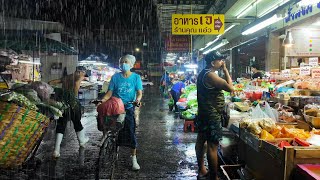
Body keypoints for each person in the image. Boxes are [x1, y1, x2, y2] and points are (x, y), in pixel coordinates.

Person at [195, 50, 233, 180]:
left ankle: (201, 170)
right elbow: (230, 88)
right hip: (211, 115)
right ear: (213, 62)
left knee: (201, 141)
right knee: (212, 146)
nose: (222, 62)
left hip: (203, 113)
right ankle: (213, 176)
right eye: (220, 60)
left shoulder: (202, 73)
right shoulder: (211, 75)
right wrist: (226, 70)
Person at [101, 54, 143, 171]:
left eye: (126, 62)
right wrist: (102, 100)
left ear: (131, 64)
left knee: (130, 132)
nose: (123, 64)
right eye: (122, 62)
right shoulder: (115, 77)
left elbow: (139, 93)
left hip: (128, 107)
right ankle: (113, 148)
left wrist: (137, 100)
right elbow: (110, 92)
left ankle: (134, 159)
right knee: (111, 127)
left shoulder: (136, 78)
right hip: (115, 107)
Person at [48, 66, 90, 158]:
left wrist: (59, 92)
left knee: (61, 125)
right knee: (77, 122)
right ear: (81, 72)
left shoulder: (67, 77)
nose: (84, 75)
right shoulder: (79, 78)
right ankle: (82, 141)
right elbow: (75, 91)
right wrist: (73, 97)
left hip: (63, 104)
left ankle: (56, 150)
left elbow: (51, 82)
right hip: (72, 104)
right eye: (84, 73)